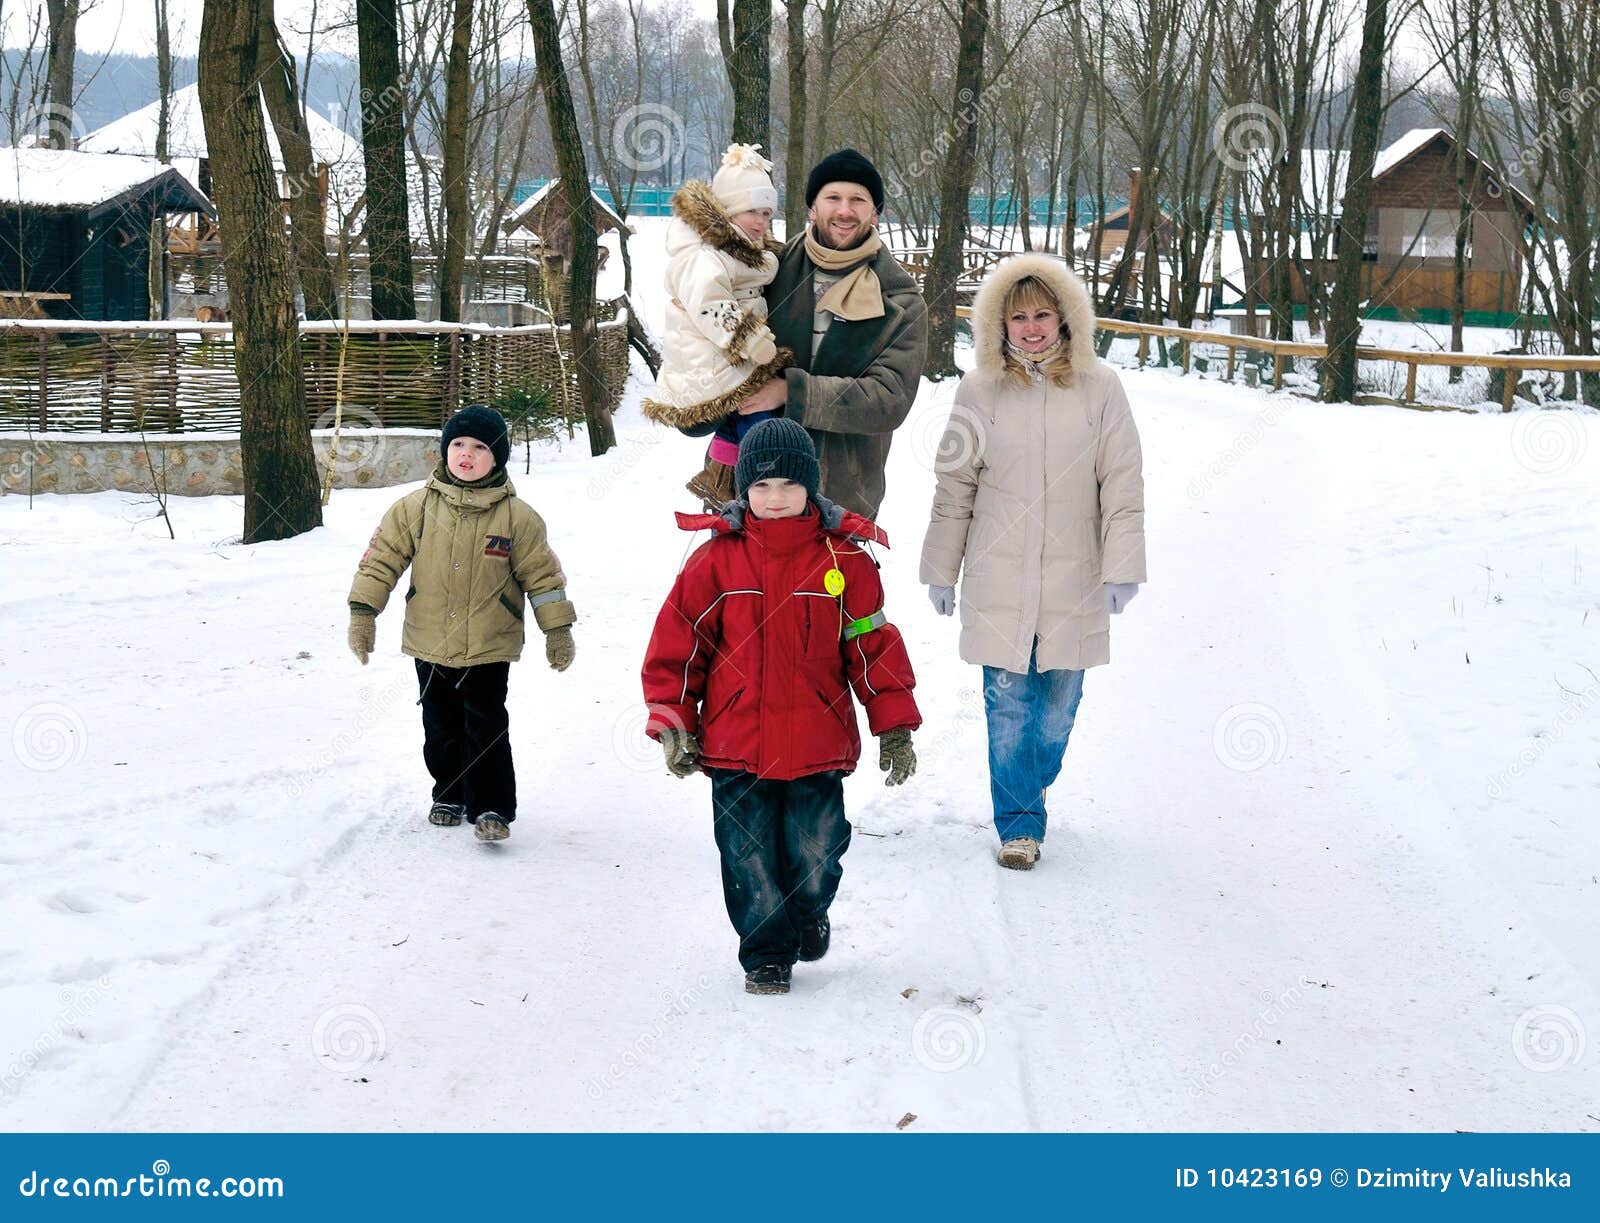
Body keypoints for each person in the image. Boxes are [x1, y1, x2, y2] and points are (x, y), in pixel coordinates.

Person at [642, 418, 921, 994]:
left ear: (811, 487)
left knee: (815, 852)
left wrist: (893, 725)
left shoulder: (845, 562)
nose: (774, 498)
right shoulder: (713, 562)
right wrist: (673, 720)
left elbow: (873, 648)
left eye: (788, 486)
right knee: (747, 857)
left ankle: (807, 911)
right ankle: (766, 953)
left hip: (817, 745)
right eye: (761, 487)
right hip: (733, 745)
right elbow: (678, 646)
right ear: (743, 490)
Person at [919, 254, 1145, 870]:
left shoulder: (1102, 388)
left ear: (1066, 319)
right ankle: (1019, 822)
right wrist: (941, 569)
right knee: (1009, 703)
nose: (1032, 327)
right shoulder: (978, 390)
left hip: (1076, 574)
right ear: (999, 323)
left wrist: (1123, 567)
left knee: (1057, 707)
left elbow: (1122, 484)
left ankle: (1032, 780)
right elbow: (954, 486)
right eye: (1018, 317)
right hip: (999, 573)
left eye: (1043, 314)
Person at [346, 405, 577, 843]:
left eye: (478, 447)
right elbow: (380, 562)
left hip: (490, 642)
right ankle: (448, 794)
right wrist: (364, 613)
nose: (465, 454)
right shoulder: (413, 509)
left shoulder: (518, 518)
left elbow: (543, 578)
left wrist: (557, 629)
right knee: (440, 725)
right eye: (457, 445)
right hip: (429, 639)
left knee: (486, 724)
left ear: (498, 458)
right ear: (444, 451)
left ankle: (491, 806)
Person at [732, 148, 928, 519]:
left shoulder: (899, 299)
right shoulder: (767, 271)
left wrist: (793, 391)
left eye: (858, 199)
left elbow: (889, 399)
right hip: (758, 491)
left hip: (843, 497)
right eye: (833, 197)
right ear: (812, 208)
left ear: (875, 213)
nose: (844, 210)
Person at [641, 143, 793, 508]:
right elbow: (709, 303)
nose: (759, 221)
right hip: (710, 356)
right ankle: (758, 478)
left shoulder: (744, 251)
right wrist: (748, 337)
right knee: (756, 416)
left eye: (766, 213)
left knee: (736, 415)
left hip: (727, 356)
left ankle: (721, 479)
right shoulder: (703, 256)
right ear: (725, 212)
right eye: (750, 211)